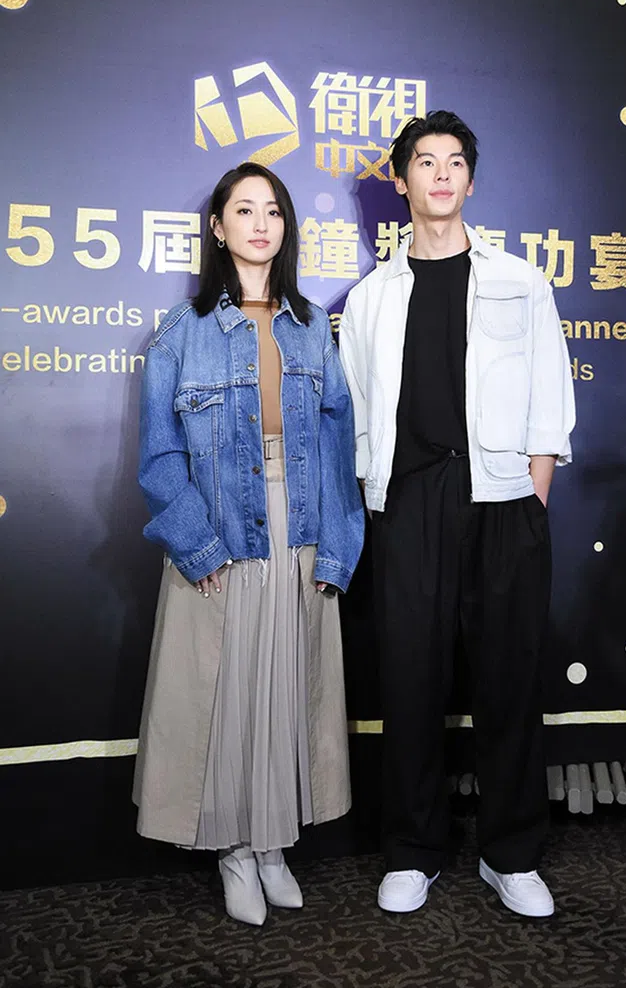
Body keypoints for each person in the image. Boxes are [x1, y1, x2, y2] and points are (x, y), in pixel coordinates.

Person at [339, 111, 575, 918]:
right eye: (424, 162)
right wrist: (380, 504)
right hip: (408, 503)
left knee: (509, 681)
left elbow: (551, 398)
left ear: (471, 181)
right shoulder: (370, 298)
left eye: (454, 162)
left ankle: (511, 854)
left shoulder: (521, 280)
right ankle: (413, 849)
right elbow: (361, 413)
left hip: (504, 500)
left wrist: (532, 501)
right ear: (400, 181)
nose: (439, 175)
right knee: (410, 680)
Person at [133, 162, 364, 926]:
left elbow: (336, 449)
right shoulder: (180, 334)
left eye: (273, 211)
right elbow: (160, 456)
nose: (261, 223)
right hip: (220, 523)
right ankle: (232, 849)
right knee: (224, 696)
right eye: (244, 209)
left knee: (285, 690)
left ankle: (273, 844)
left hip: (297, 521)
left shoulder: (310, 328)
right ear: (217, 227)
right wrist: (197, 546)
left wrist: (335, 550)